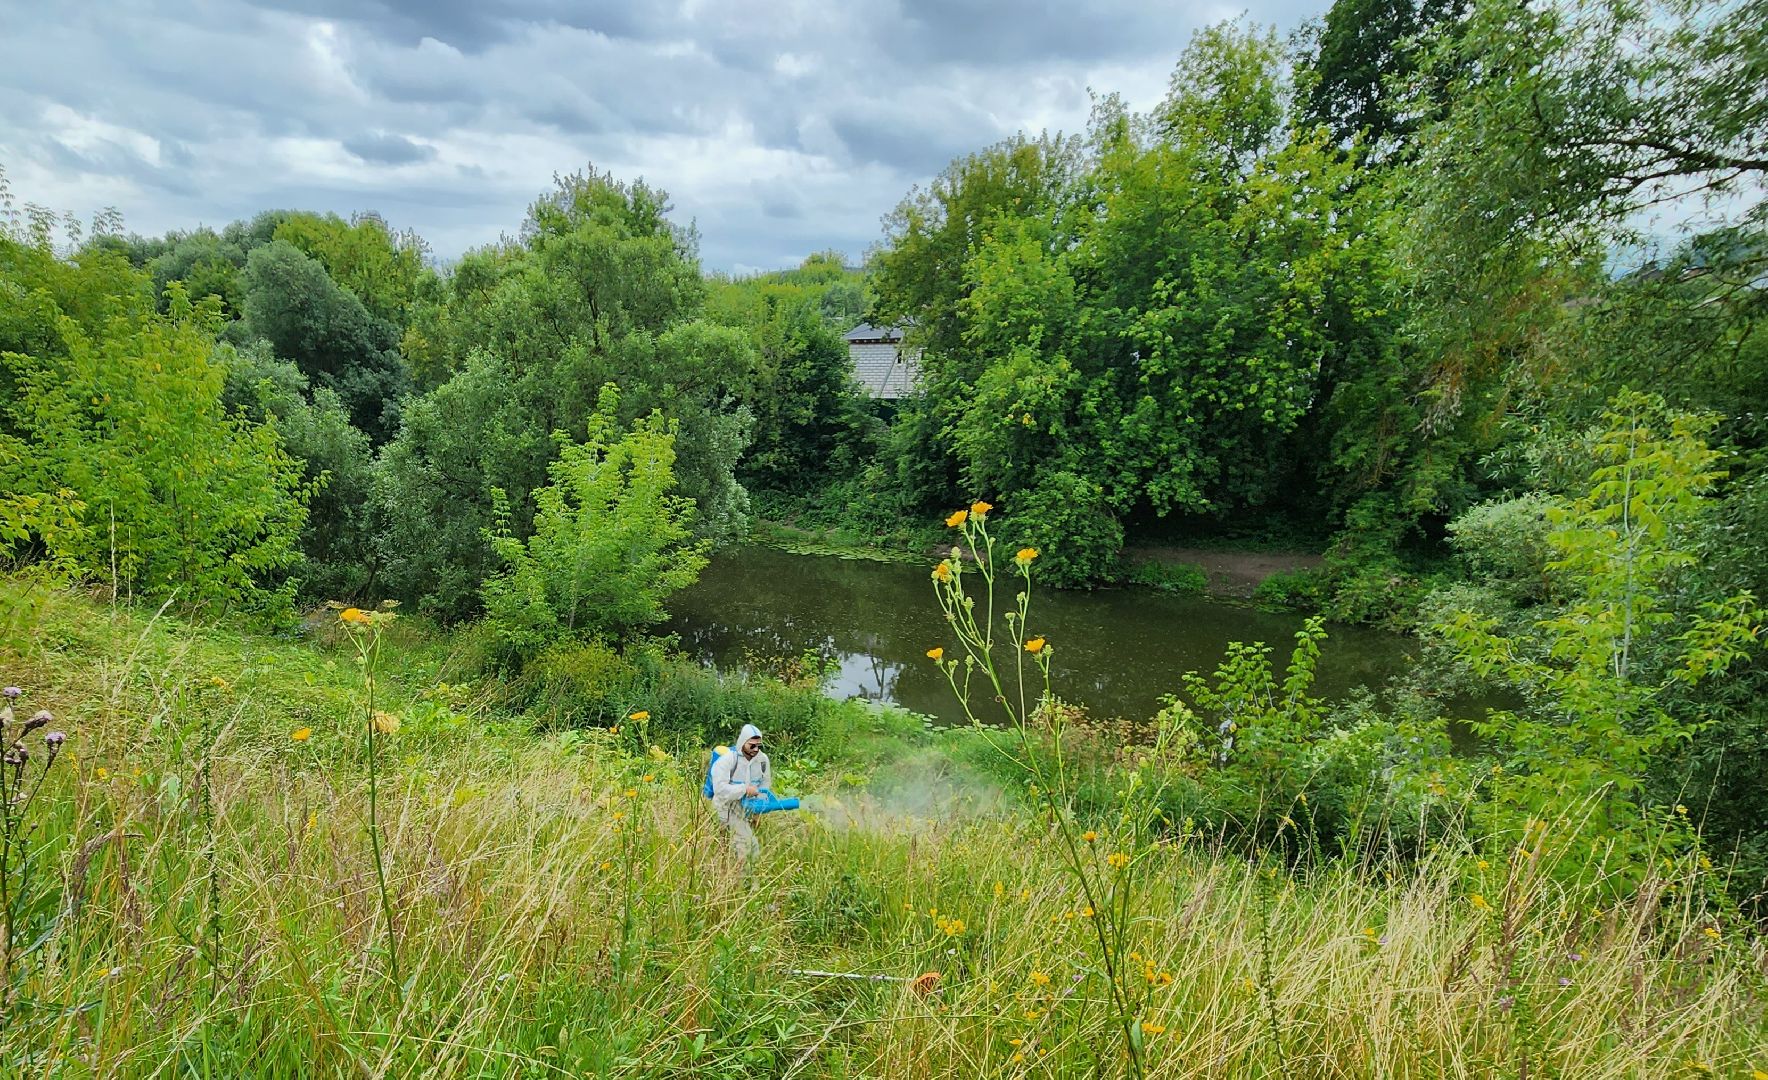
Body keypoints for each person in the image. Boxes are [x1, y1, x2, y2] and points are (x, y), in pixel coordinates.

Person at [709, 723, 770, 861]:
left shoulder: (762, 761)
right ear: (743, 742)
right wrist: (743, 789)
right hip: (725, 808)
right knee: (745, 845)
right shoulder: (728, 760)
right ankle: (740, 877)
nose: (755, 749)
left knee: (739, 846)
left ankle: (736, 875)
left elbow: (764, 785)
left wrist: (757, 812)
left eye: (758, 745)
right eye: (752, 745)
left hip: (745, 810)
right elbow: (720, 789)